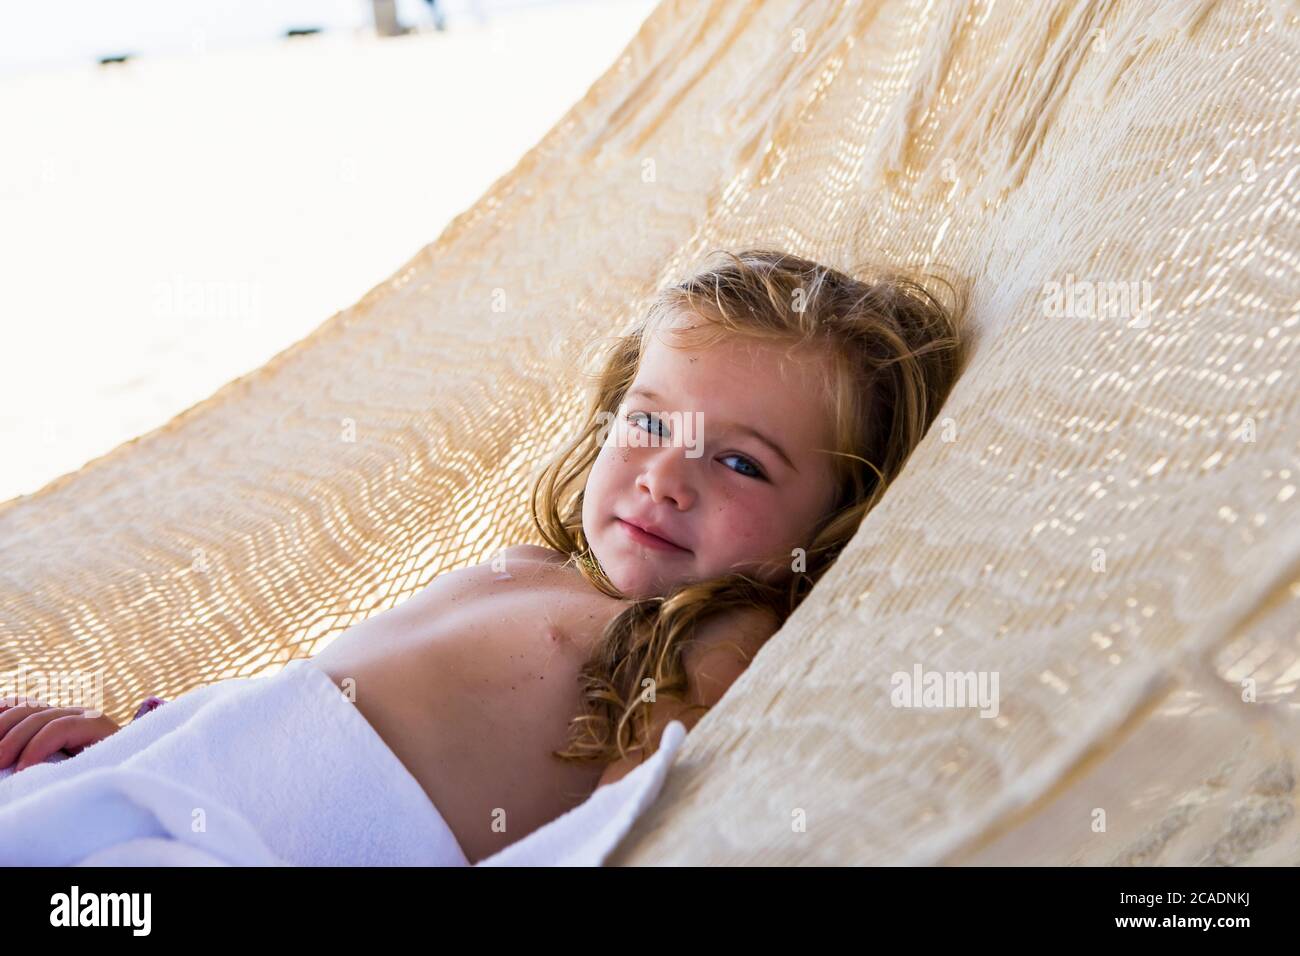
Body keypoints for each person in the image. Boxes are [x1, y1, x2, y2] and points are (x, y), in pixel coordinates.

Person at [0, 249, 965, 863]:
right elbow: (309, 703)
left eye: (743, 464)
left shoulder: (710, 629)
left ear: (833, 524)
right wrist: (133, 738)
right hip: (164, 788)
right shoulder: (529, 566)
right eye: (651, 424)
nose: (668, 479)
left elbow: (643, 821)